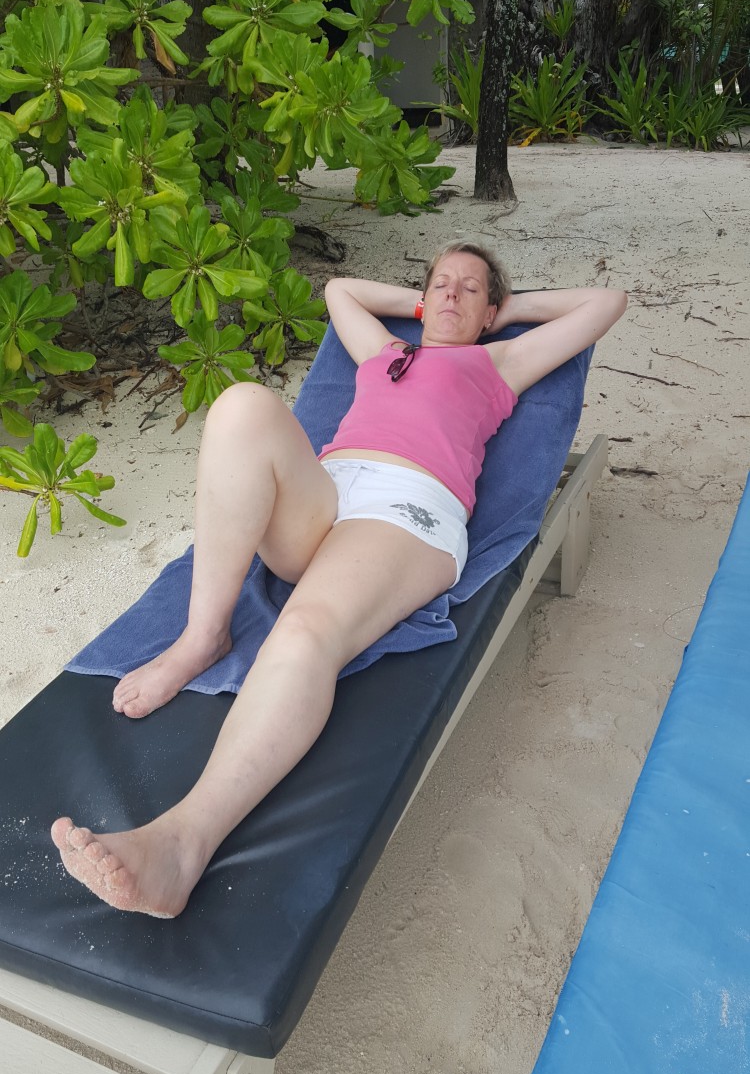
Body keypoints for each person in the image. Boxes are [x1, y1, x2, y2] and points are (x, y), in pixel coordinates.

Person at [51, 242, 626, 918]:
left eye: (469, 289)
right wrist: (424, 304)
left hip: (408, 509)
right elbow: (338, 292)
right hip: (329, 492)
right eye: (440, 283)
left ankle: (181, 844)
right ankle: (203, 637)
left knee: (305, 631)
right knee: (242, 405)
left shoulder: (499, 361)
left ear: (490, 311)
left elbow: (606, 302)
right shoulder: (385, 350)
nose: (450, 294)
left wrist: (506, 313)